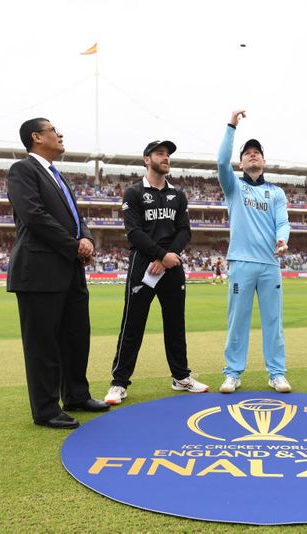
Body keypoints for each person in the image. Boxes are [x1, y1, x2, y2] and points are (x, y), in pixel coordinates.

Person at [7, 118, 109, 429]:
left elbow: (77, 218)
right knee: (43, 345)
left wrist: (87, 239)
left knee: (76, 337)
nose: (60, 134)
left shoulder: (57, 176)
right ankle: (46, 409)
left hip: (69, 269)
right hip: (39, 271)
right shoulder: (22, 171)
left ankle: (77, 395)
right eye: (53, 130)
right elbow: (34, 216)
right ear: (37, 137)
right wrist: (74, 245)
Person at [104, 140, 209, 405]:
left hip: (172, 266)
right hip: (144, 265)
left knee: (176, 324)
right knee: (133, 325)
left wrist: (169, 257)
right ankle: (119, 382)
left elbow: (185, 230)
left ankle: (181, 377)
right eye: (159, 154)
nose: (165, 158)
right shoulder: (134, 193)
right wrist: (161, 256)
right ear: (146, 159)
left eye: (168, 154)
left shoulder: (178, 194)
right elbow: (134, 232)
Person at [216, 110, 291, 394]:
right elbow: (221, 160)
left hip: (270, 263)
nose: (252, 155)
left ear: (263, 160)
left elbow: (283, 222)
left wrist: (282, 240)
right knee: (238, 321)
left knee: (274, 320)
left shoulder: (276, 192)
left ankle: (277, 373)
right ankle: (233, 373)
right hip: (241, 263)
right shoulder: (233, 186)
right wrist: (231, 126)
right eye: (247, 153)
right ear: (241, 161)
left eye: (257, 152)